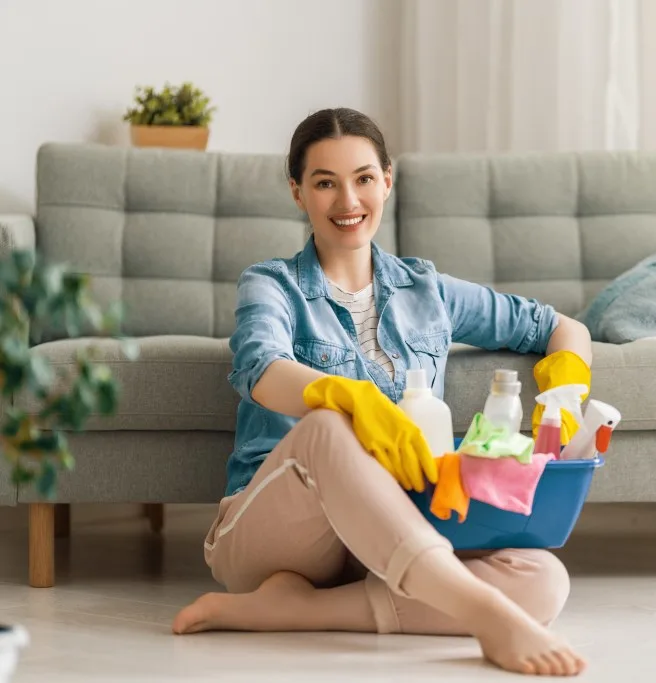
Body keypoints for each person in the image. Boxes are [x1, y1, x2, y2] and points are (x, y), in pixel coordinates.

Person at [171, 108, 593, 677]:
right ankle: (484, 616)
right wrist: (352, 398)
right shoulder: (271, 284)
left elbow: (560, 327)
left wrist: (565, 395)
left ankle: (298, 611)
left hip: (389, 529)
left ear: (387, 181)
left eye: (364, 178)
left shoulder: (429, 290)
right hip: (278, 534)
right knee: (326, 424)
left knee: (543, 581)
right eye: (325, 183)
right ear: (298, 192)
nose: (348, 201)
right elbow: (260, 367)